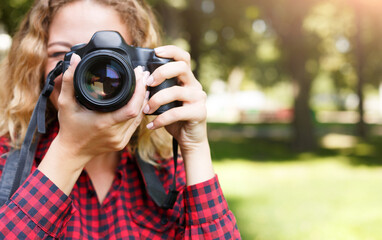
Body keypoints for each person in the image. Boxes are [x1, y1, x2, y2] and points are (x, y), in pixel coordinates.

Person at [0, 0, 241, 239]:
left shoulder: (167, 171)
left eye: (106, 57)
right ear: (36, 64)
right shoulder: (6, 162)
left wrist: (195, 147)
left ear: (144, 68)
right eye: (63, 54)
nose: (85, 68)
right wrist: (68, 153)